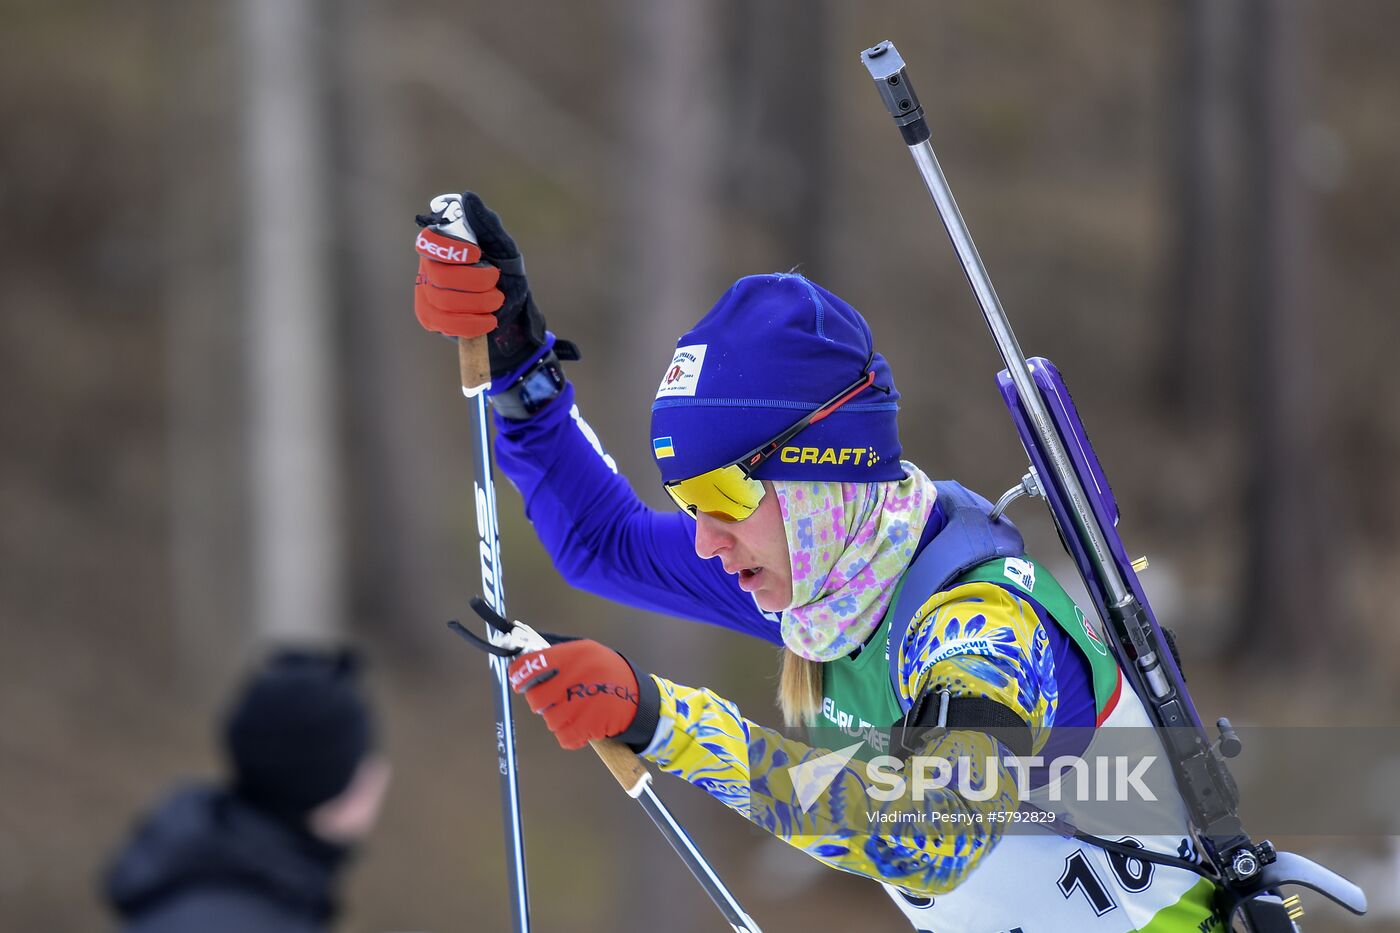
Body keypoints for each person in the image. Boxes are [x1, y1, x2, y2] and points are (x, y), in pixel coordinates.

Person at [414, 192, 1219, 931]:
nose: (704, 537)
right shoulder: (819, 592)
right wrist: (518, 366)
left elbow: (930, 836)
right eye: (687, 499)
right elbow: (603, 542)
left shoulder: (982, 628)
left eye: (723, 492)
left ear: (821, 471)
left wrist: (667, 724)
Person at [104, 650, 391, 933]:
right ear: (338, 789)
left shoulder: (207, 880)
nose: (382, 776)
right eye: (367, 763)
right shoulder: (247, 915)